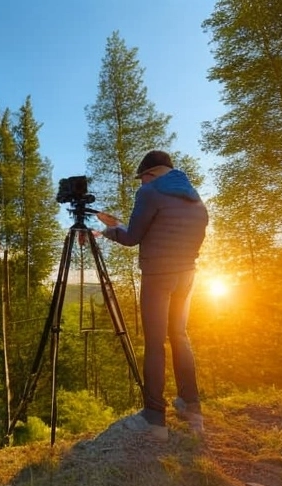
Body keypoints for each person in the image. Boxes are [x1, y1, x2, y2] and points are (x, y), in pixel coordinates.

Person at [97, 150, 208, 441]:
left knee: (155, 343)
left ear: (150, 174)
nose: (142, 183)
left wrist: (110, 230)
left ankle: (155, 418)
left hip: (159, 276)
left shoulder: (149, 193)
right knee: (180, 336)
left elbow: (132, 237)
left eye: (143, 178)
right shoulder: (194, 197)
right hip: (187, 274)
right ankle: (191, 407)